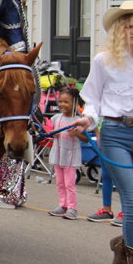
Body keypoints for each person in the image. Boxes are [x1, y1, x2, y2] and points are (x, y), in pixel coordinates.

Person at [72, 0, 133, 264]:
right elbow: (93, 99)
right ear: (119, 30)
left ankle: (123, 245)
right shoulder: (104, 60)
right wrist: (88, 119)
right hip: (114, 134)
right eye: (129, 26)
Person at [47, 88, 86, 220]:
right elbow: (50, 132)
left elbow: (86, 139)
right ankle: (62, 205)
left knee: (70, 184)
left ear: (74, 103)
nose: (62, 104)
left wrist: (77, 134)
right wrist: (53, 133)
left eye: (66, 102)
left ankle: (72, 208)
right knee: (59, 182)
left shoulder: (78, 120)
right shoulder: (56, 118)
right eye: (61, 101)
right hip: (58, 154)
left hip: (70, 156)